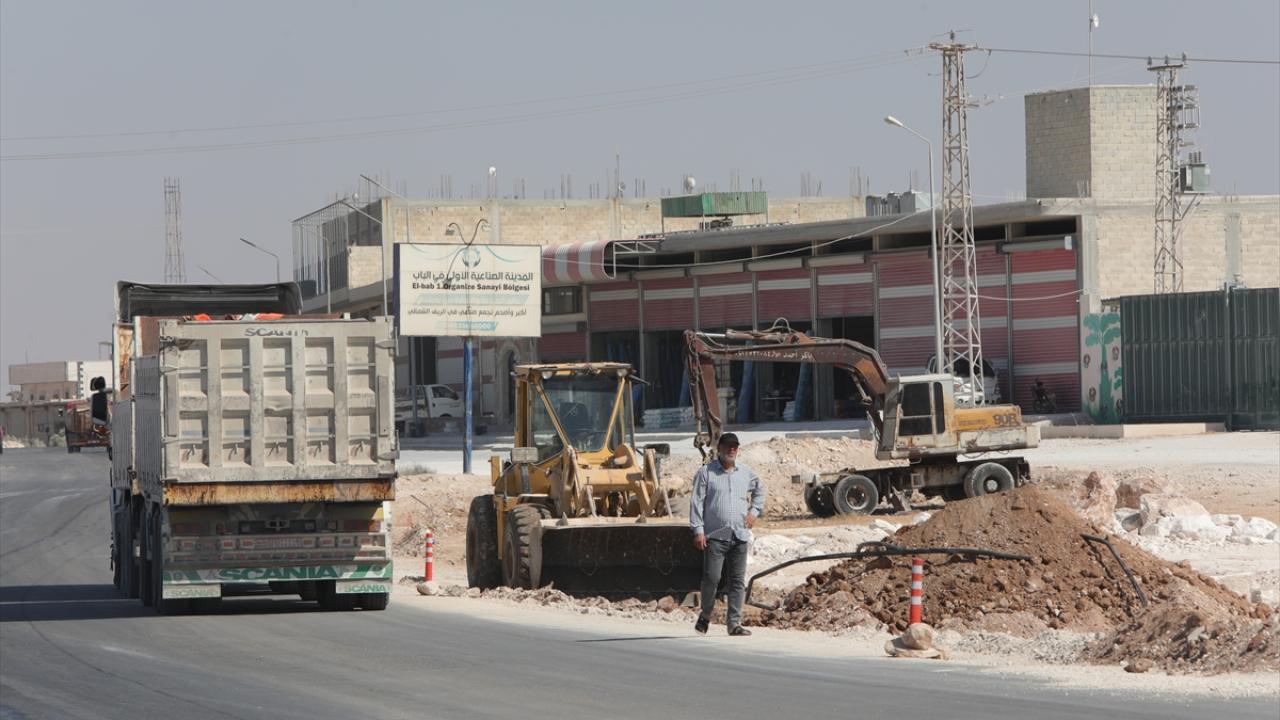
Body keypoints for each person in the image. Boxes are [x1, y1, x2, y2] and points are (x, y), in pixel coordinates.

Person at [689, 432, 765, 636]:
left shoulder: (745, 472)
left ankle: (734, 624)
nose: (732, 450)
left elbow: (760, 490)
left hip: (739, 535)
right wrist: (698, 530)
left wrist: (754, 512)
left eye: (735, 447)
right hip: (715, 535)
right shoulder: (706, 473)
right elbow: (696, 501)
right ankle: (705, 615)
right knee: (712, 578)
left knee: (738, 581)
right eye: (728, 446)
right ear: (719, 448)